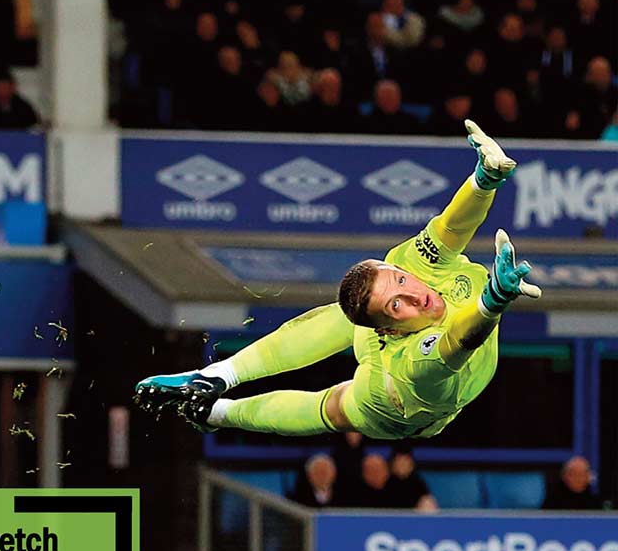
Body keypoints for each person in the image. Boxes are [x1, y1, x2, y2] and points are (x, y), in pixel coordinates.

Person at [135, 120, 542, 443]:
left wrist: (484, 180)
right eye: (397, 304)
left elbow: (451, 229)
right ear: (388, 325)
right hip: (393, 404)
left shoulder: (409, 266)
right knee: (330, 407)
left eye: (401, 282)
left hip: (389, 345)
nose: (413, 295)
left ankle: (215, 388)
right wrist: (492, 300)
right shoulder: (414, 364)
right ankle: (219, 406)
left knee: (346, 312)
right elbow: (459, 338)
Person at [388, 445, 438, 510]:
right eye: (399, 461)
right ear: (392, 464)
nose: (402, 465)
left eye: (405, 461)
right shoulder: (385, 482)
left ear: (411, 464)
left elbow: (428, 504)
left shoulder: (418, 483)